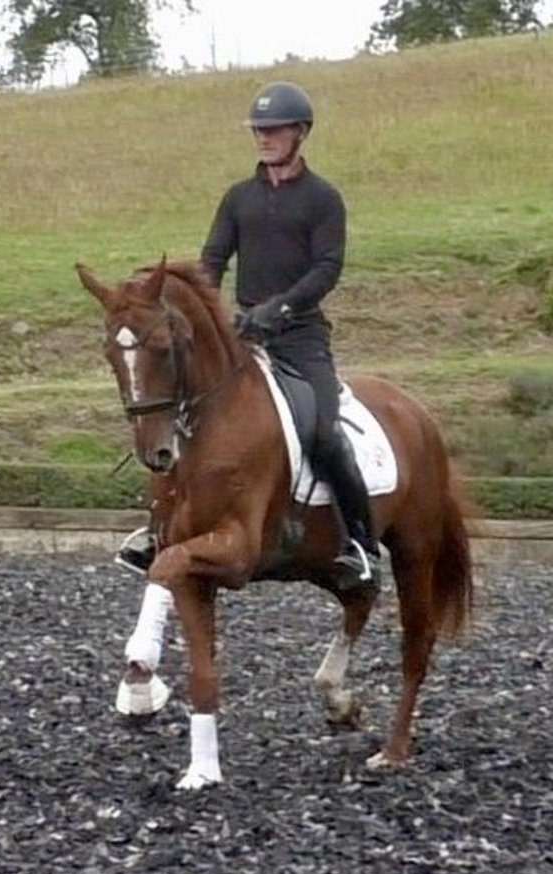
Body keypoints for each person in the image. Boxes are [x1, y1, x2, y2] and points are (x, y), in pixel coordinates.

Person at [116, 80, 380, 586]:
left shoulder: (323, 199)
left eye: (273, 130)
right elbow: (213, 260)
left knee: (326, 434)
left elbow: (327, 267)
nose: (264, 138)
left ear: (300, 133)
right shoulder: (239, 198)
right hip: (242, 337)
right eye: (259, 130)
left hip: (301, 339)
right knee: (180, 418)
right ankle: (157, 531)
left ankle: (359, 545)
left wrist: (280, 306)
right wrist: (205, 308)